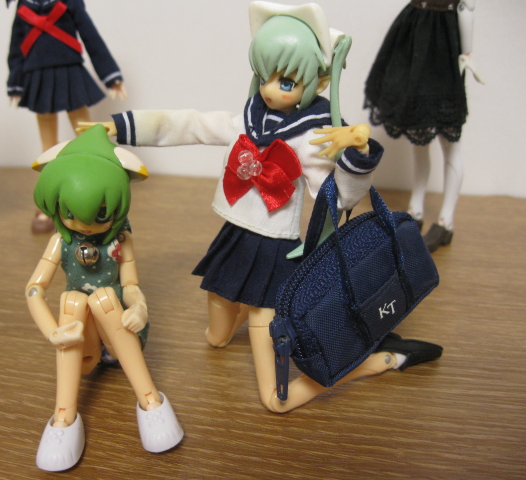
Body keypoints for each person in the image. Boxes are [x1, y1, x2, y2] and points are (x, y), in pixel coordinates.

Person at [89, 2, 442, 413]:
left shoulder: (312, 136)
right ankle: (253, 314)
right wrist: (123, 126)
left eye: (286, 81)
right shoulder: (247, 116)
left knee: (276, 400)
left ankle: (383, 360)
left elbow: (340, 199)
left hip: (275, 252)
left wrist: (357, 155)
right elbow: (190, 124)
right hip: (234, 241)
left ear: (319, 81)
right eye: (264, 75)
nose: (270, 90)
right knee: (215, 338)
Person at [26, 125, 182, 472]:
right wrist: (53, 331)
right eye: (70, 212)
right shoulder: (61, 242)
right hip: (81, 342)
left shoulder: (120, 240)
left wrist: (139, 307)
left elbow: (131, 283)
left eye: (100, 214)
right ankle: (64, 416)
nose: (85, 225)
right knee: (73, 301)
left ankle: (150, 400)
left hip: (119, 330)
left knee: (105, 297)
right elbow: (35, 288)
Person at [364, 0, 483, 252]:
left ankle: (445, 222)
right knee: (419, 135)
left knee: (450, 142)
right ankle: (415, 210)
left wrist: (467, 53)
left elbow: (466, 7)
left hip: (444, 47)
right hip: (414, 39)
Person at [6, 0, 127, 233]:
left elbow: (91, 37)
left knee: (87, 134)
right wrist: (15, 82)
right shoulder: (23, 7)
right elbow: (16, 47)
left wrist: (111, 75)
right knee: (47, 145)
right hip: (37, 75)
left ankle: (98, 188)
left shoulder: (69, 3)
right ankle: (48, 200)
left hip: (69, 71)